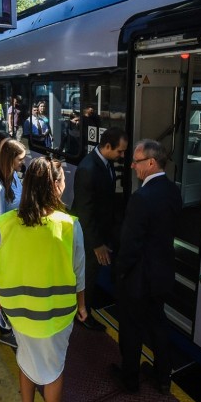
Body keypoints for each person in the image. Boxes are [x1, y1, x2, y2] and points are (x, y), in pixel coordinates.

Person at [0, 157, 86, 402]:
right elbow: (79, 272)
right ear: (56, 186)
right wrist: (82, 305)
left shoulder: (8, 223)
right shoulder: (69, 225)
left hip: (19, 312)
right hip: (56, 316)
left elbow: (4, 265)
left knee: (26, 361)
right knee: (54, 370)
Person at [114, 139, 182, 394]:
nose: (132, 166)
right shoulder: (173, 190)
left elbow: (130, 244)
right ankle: (163, 377)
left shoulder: (141, 198)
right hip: (163, 272)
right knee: (158, 324)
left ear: (151, 162)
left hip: (139, 278)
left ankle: (129, 379)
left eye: (137, 161)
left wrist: (121, 272)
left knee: (131, 328)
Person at [69, 127, 128, 331]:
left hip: (103, 228)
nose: (122, 156)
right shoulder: (88, 168)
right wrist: (97, 244)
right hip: (89, 235)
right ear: (108, 146)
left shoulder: (105, 163)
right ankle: (82, 313)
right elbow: (84, 212)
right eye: (120, 151)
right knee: (88, 275)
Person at [0, 137, 27, 348]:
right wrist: (10, 249)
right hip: (5, 246)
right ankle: (4, 330)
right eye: (20, 159)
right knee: (4, 290)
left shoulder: (15, 178)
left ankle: (10, 325)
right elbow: (0, 223)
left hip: (15, 245)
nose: (23, 163)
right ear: (10, 159)